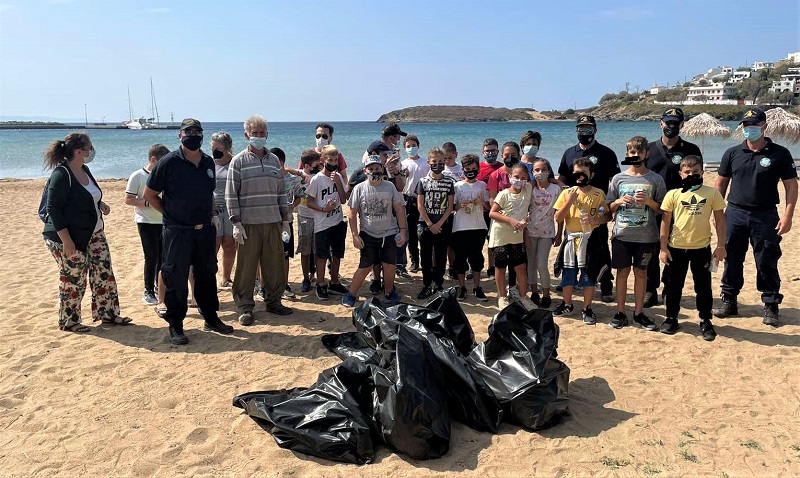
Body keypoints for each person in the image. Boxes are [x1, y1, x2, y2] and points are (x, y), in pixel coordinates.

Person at [143, 119, 234, 344]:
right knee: (176, 277)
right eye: (188, 132)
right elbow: (149, 194)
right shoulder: (168, 162)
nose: (193, 136)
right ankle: (176, 325)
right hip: (177, 231)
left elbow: (208, 193)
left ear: (202, 136)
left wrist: (210, 215)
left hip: (204, 230)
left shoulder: (208, 162)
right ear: (180, 136)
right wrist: (169, 215)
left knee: (207, 274)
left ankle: (211, 318)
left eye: (197, 132)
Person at [714, 107, 797, 327]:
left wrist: (788, 216)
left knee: (766, 259)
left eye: (754, 125)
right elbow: (720, 184)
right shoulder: (732, 153)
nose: (749, 129)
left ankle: (771, 304)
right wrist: (717, 213)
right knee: (732, 257)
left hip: (766, 215)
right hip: (735, 213)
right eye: (746, 125)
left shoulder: (780, 153)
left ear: (764, 126)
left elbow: (791, 186)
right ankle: (729, 300)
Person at [43, 133, 131, 332]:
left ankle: (108, 314)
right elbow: (53, 209)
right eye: (90, 147)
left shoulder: (85, 169)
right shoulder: (61, 174)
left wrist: (100, 204)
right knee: (74, 277)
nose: (92, 150)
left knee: (104, 272)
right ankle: (69, 321)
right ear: (79, 151)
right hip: (66, 236)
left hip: (94, 232)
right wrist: (67, 241)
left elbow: (85, 196)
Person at [225, 115, 294, 327]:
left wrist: (285, 220)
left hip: (273, 221)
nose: (258, 136)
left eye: (262, 133)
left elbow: (281, 193)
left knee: (274, 266)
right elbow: (230, 194)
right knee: (246, 268)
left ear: (267, 134)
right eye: (254, 133)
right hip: (248, 224)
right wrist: (235, 222)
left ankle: (274, 301)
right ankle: (245, 307)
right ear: (247, 135)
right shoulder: (238, 161)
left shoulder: (274, 161)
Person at [659, 155, 725, 341]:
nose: (691, 175)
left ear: (702, 172)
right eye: (687, 172)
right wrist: (663, 248)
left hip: (701, 248)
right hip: (676, 248)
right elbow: (665, 222)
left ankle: (705, 320)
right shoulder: (673, 194)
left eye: (695, 171)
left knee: (703, 287)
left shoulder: (712, 193)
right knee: (673, 286)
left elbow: (720, 221)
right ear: (681, 174)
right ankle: (671, 318)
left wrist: (721, 246)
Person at [606, 137, 666, 331]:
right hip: (622, 235)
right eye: (632, 152)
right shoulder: (618, 178)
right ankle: (620, 312)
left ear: (646, 154)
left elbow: (662, 208)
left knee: (641, 274)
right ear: (627, 154)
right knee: (622, 273)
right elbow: (608, 206)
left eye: (640, 152)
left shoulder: (655, 179)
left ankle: (639, 313)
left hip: (646, 236)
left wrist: (648, 201)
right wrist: (618, 201)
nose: (636, 155)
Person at [644, 108, 702, 307]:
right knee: (651, 250)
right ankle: (650, 290)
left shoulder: (691, 149)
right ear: (661, 123)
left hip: (680, 209)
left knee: (674, 250)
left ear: (682, 125)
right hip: (653, 207)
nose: (671, 126)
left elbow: (697, 179)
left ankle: (669, 288)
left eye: (676, 123)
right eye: (668, 123)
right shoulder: (649, 149)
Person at [558, 115, 620, 302]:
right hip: (574, 210)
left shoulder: (606, 153)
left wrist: (612, 205)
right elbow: (561, 178)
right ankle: (571, 280)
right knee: (572, 247)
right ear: (576, 130)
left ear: (595, 130)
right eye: (581, 129)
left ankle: (606, 284)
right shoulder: (569, 153)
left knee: (601, 248)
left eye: (589, 129)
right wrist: (564, 196)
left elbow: (615, 181)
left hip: (597, 207)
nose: (585, 132)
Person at [552, 157, 612, 324]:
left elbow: (607, 215)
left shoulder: (598, 193)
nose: (580, 176)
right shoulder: (567, 193)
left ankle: (587, 307)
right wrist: (569, 202)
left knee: (588, 275)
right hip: (571, 239)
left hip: (590, 240)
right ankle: (567, 303)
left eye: (584, 173)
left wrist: (595, 220)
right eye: (577, 173)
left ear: (591, 175)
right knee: (568, 274)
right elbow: (558, 218)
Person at [341, 155, 407, 307]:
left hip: (389, 233)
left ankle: (389, 292)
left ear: (382, 169)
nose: (374, 171)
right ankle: (351, 294)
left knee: (389, 266)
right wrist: (355, 235)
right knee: (365, 266)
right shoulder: (359, 188)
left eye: (377, 168)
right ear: (365, 171)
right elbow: (352, 213)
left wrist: (402, 231)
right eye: (370, 169)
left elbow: (399, 209)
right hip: (368, 234)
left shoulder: (389, 187)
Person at [124, 143, 169, 307]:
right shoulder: (137, 176)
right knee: (151, 257)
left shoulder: (164, 176)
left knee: (163, 257)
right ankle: (148, 290)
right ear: (153, 159)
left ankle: (159, 288)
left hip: (163, 221)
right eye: (162, 161)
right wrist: (148, 202)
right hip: (146, 222)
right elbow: (128, 199)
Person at [306, 145, 349, 300]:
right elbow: (309, 202)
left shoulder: (338, 177)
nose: (333, 163)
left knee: (337, 254)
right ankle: (321, 283)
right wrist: (323, 209)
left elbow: (343, 200)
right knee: (322, 255)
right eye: (330, 160)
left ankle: (335, 281)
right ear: (323, 160)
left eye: (336, 160)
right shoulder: (317, 179)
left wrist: (338, 182)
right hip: (322, 224)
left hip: (337, 220)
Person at [489, 163, 533, 310]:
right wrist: (511, 220)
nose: (519, 180)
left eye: (523, 178)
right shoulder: (504, 194)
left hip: (517, 236)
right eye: (516, 177)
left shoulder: (528, 189)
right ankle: (502, 297)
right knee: (501, 267)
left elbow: (541, 181)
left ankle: (523, 296)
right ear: (510, 177)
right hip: (501, 235)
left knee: (520, 267)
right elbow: (492, 213)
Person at [416, 147, 455, 299]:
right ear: (428, 162)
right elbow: (420, 205)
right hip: (425, 224)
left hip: (442, 225)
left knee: (440, 256)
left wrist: (439, 224)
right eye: (434, 161)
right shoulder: (423, 181)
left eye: (440, 161)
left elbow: (450, 206)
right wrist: (430, 224)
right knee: (425, 256)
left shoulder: (448, 182)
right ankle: (426, 285)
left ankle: (438, 284)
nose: (437, 164)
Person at [525, 158, 563, 309]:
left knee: (542, 264)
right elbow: (524, 210)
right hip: (530, 231)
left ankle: (546, 295)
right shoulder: (530, 189)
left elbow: (560, 213)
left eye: (543, 170)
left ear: (549, 171)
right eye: (537, 170)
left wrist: (559, 234)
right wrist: (524, 233)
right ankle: (534, 293)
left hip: (547, 232)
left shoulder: (556, 189)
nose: (540, 173)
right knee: (531, 264)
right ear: (532, 172)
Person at [452, 154, 490, 301]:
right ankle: (462, 287)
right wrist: (461, 205)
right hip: (460, 227)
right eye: (467, 169)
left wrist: (482, 203)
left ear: (478, 169)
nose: (470, 172)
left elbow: (489, 206)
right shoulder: (457, 186)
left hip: (478, 226)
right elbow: (452, 207)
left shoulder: (482, 185)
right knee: (460, 258)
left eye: (473, 169)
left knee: (476, 257)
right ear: (463, 169)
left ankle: (477, 287)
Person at [272, 147, 303, 299]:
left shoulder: (292, 179)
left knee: (285, 255)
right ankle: (263, 285)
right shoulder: (268, 179)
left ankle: (284, 284)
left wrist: (293, 205)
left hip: (287, 222)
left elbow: (299, 196)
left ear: (282, 162)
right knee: (266, 255)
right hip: (270, 222)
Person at [210, 132, 236, 288]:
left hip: (230, 209)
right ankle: (210, 281)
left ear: (227, 148)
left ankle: (226, 278)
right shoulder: (209, 163)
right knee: (213, 246)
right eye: (212, 147)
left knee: (229, 245)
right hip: (213, 209)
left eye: (217, 148)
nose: (214, 151)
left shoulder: (235, 162)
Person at [399, 134, 428, 273]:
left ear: (418, 146)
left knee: (423, 231)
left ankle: (426, 260)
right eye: (408, 146)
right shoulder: (403, 164)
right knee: (410, 232)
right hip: (407, 198)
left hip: (422, 198)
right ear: (405, 148)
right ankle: (414, 261)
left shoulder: (425, 163)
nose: (411, 148)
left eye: (413, 145)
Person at [295, 149, 321, 293]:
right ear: (306, 166)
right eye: (316, 165)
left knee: (317, 250)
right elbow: (285, 169)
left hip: (318, 218)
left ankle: (316, 275)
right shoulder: (299, 177)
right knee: (305, 250)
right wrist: (300, 173)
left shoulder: (319, 177)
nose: (318, 167)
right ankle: (305, 278)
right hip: (303, 217)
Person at [477, 138, 502, 275]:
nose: (490, 153)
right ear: (483, 152)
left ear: (498, 151)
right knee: (477, 241)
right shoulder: (478, 167)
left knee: (492, 240)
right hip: (479, 210)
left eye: (493, 150)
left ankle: (491, 266)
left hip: (496, 209)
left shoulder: (502, 167)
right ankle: (474, 267)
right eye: (487, 151)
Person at [442, 142, 462, 280]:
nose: (447, 161)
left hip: (459, 210)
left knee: (457, 242)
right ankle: (448, 267)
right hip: (444, 210)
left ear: (456, 155)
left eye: (450, 158)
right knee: (446, 242)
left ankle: (456, 266)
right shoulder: (440, 170)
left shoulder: (461, 169)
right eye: (445, 158)